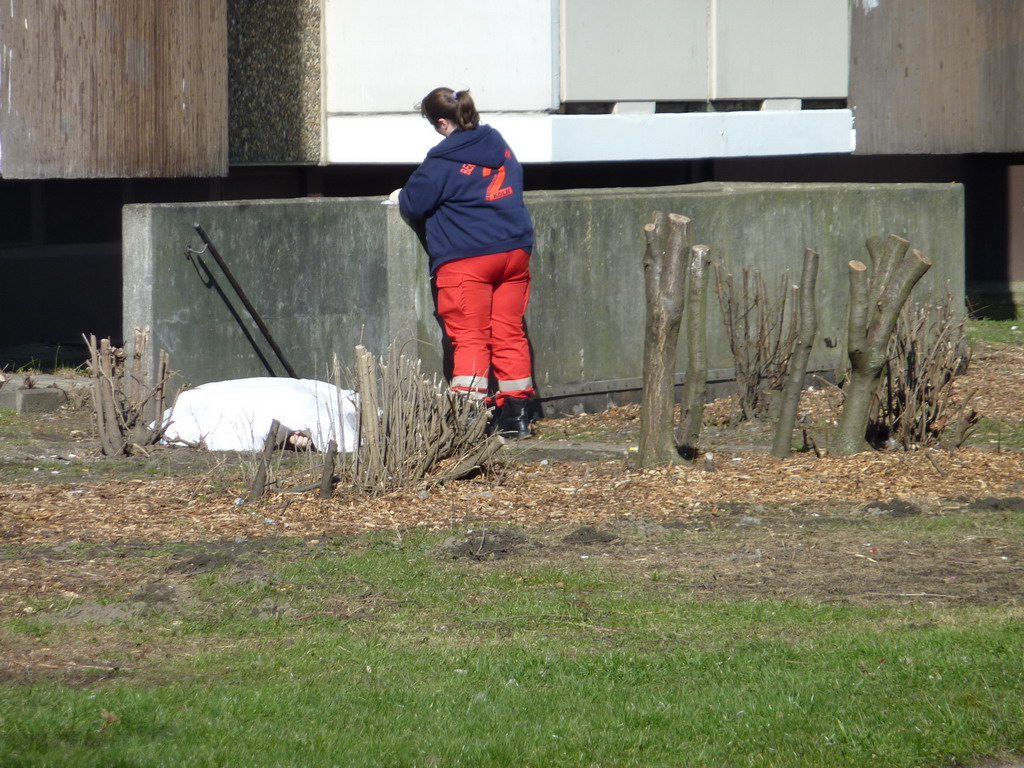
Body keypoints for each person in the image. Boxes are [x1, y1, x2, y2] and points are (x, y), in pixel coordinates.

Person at [395, 87, 537, 438]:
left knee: (470, 337)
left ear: (442, 122)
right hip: (513, 252)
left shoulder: (442, 161)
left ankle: (469, 421)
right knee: (509, 332)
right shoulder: (497, 143)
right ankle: (516, 418)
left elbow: (413, 204)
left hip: (467, 256)